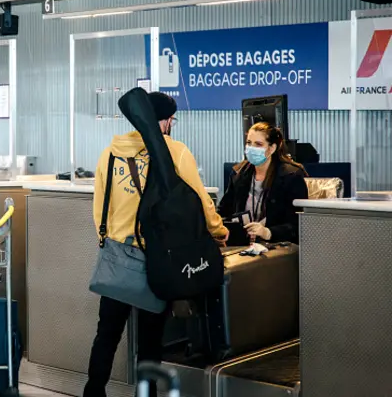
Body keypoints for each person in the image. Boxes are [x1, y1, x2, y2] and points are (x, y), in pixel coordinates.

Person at [84, 92, 228, 397]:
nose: (171, 125)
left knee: (106, 335)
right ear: (161, 120)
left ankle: (93, 392)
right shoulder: (175, 152)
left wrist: (111, 238)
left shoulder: (110, 153)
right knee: (150, 340)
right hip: (157, 259)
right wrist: (219, 229)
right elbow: (199, 201)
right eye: (171, 119)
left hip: (118, 256)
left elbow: (99, 208)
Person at [218, 122, 309, 244]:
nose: (251, 148)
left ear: (272, 148)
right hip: (242, 243)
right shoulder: (238, 173)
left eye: (258, 144)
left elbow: (298, 225)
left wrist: (268, 232)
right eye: (249, 143)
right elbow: (224, 210)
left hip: (277, 244)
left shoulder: (291, 176)